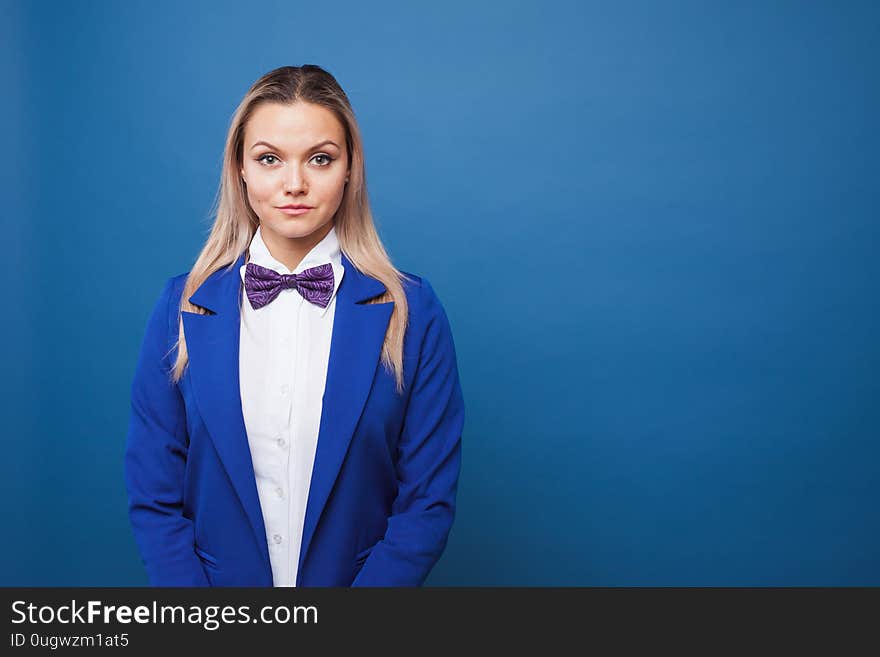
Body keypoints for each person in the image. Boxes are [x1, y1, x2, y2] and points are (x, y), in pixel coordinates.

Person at [124, 65, 465, 587]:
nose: (295, 184)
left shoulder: (412, 311)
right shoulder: (182, 306)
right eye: (269, 159)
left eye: (320, 159)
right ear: (240, 169)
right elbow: (154, 497)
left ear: (350, 169)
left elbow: (427, 504)